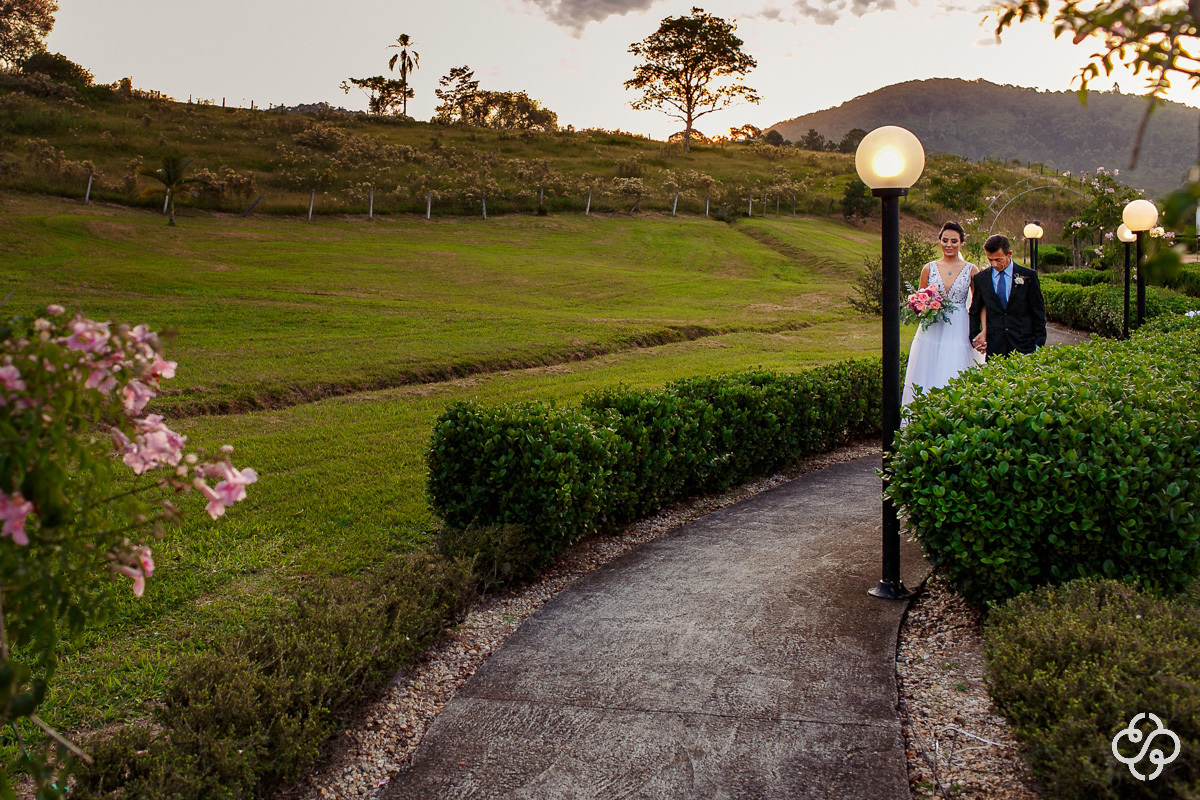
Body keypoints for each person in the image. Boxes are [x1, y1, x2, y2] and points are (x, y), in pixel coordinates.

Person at [901, 222, 985, 408]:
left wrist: (983, 330)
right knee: (927, 367)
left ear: (961, 243)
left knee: (954, 366)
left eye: (954, 241)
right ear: (939, 241)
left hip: (959, 325)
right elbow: (918, 298)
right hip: (933, 326)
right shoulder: (928, 268)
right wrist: (924, 306)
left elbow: (980, 304)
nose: (949, 245)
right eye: (945, 240)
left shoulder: (971, 270)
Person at [969, 235, 1047, 360]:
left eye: (998, 260)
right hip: (995, 346)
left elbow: (1038, 312)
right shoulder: (981, 279)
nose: (994, 264)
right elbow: (975, 311)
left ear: (1009, 254)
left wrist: (1038, 343)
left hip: (1024, 344)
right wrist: (974, 338)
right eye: (990, 260)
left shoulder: (1028, 276)